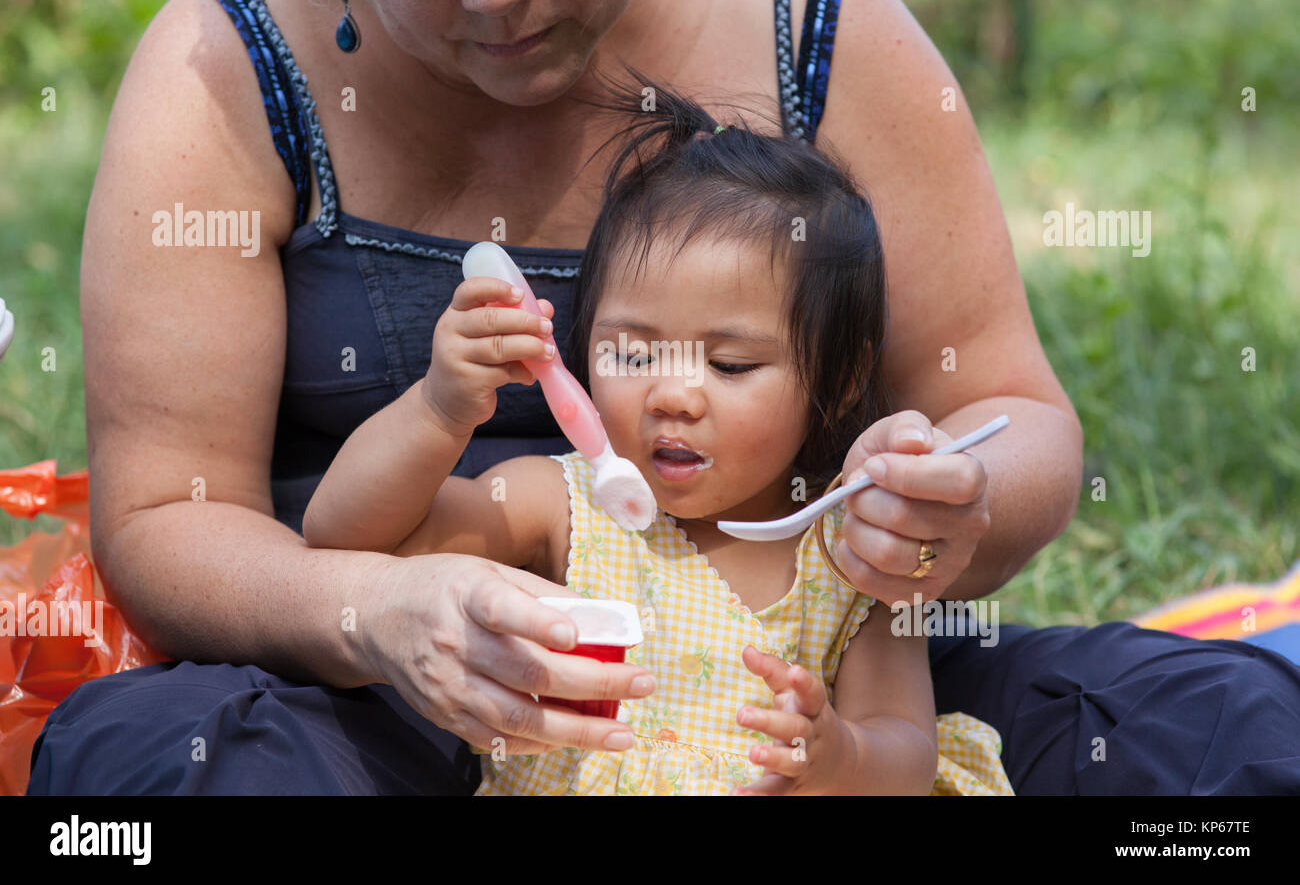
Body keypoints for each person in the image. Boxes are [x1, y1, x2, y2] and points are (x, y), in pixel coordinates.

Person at [26, 0, 1300, 795]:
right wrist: (381, 612)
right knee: (165, 767)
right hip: (376, 712)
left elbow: (1008, 418)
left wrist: (939, 515)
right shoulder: (227, 65)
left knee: (1225, 735)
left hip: (795, 714)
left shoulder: (817, 18)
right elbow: (168, 518)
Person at [302, 75, 1014, 794]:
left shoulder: (855, 555)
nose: (672, 394)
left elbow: (906, 753)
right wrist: (439, 408)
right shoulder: (566, 505)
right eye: (634, 355)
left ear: (839, 376)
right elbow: (345, 535)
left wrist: (838, 758)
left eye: (730, 363)